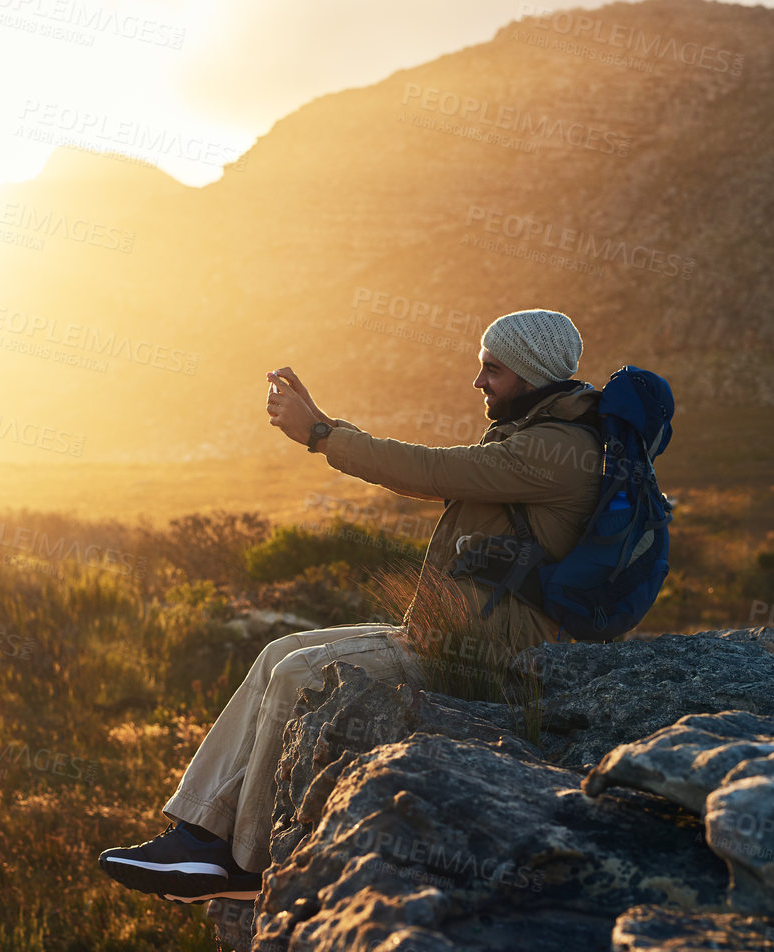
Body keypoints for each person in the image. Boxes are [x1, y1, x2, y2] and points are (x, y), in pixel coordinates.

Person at [97, 308, 604, 902]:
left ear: (530, 372)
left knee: (301, 673)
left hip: (497, 653)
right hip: (457, 632)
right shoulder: (534, 434)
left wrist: (319, 434)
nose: (478, 383)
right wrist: (325, 425)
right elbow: (439, 472)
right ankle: (196, 833)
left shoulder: (554, 449)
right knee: (278, 651)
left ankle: (246, 860)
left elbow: (432, 470)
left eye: (491, 369)